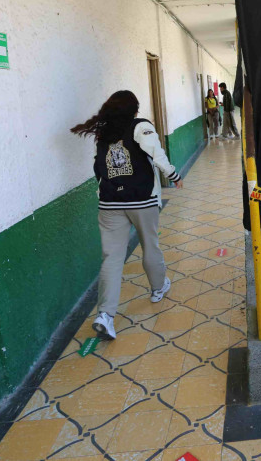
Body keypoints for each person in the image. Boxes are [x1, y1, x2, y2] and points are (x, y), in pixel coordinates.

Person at [70, 90, 181, 340]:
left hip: (110, 203)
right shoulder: (141, 127)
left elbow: (98, 165)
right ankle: (157, 288)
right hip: (141, 199)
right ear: (134, 109)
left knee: (111, 258)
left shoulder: (104, 133)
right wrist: (173, 175)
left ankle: (106, 316)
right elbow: (156, 152)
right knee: (150, 246)